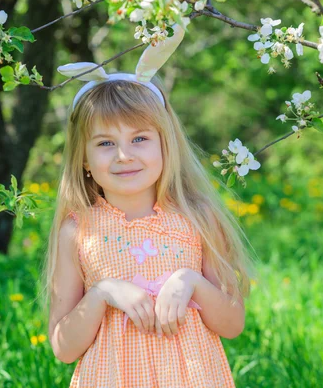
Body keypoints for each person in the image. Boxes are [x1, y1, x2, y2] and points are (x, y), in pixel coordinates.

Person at [40, 24, 258, 387]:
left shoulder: (196, 218)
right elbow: (63, 348)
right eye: (105, 143)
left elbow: (232, 324)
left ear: (165, 144)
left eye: (139, 138)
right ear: (84, 160)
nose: (124, 155)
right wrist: (103, 292)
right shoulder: (78, 230)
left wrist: (190, 282)